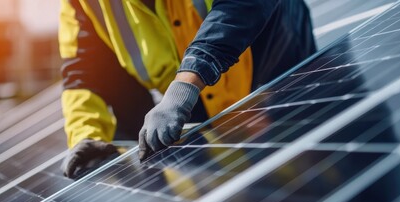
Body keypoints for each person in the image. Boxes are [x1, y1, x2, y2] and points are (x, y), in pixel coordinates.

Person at [59, 0, 316, 178]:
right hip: (197, 110)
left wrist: (187, 84)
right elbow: (83, 68)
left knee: (323, 176)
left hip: (280, 78)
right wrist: (85, 133)